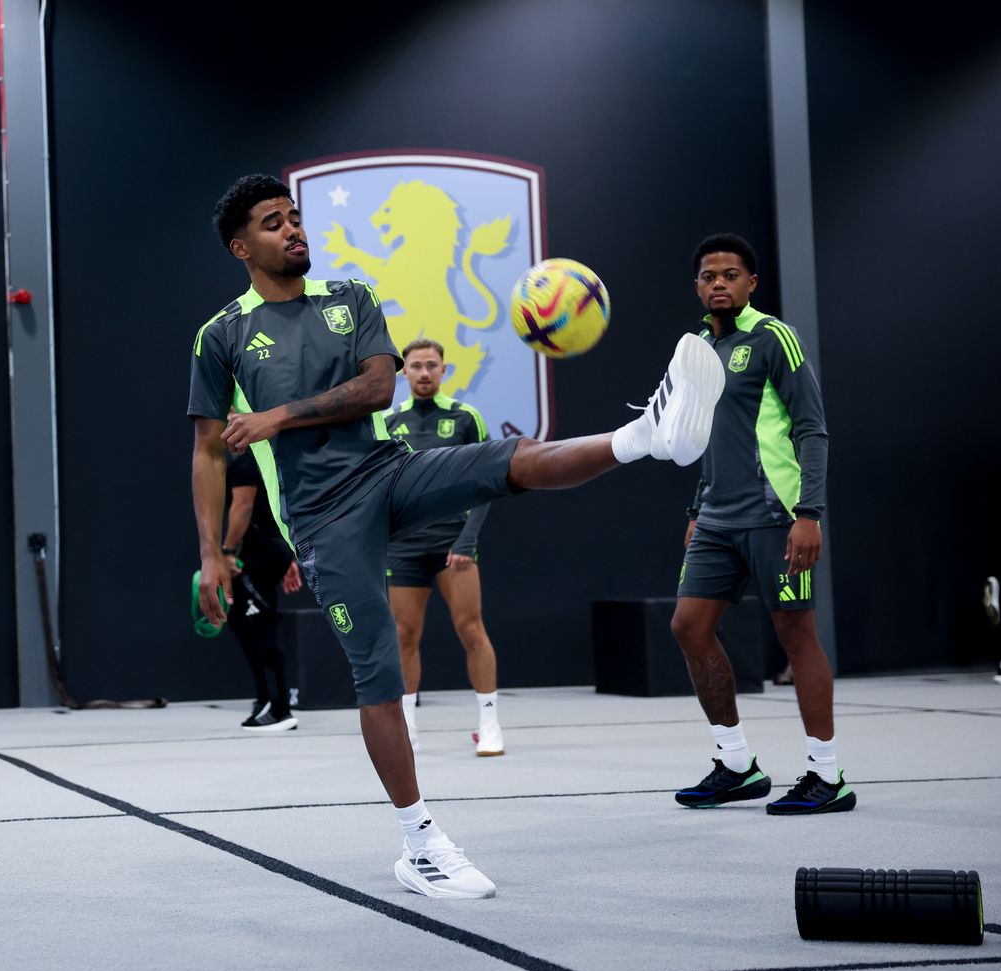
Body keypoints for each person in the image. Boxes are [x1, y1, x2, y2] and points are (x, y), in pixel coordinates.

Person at [189, 174, 724, 898]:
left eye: (294, 217)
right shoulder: (221, 335)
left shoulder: (349, 297)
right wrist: (212, 553)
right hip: (320, 520)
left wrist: (278, 417)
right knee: (377, 674)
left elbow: (378, 389)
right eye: (273, 222)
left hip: (386, 471)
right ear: (240, 246)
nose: (293, 230)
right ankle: (420, 844)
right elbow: (210, 451)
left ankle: (646, 435)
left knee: (513, 462)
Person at [670, 234, 852, 815]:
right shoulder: (698, 347)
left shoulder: (775, 338)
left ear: (752, 283)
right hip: (717, 519)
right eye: (708, 275)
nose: (718, 283)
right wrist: (698, 510)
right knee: (688, 628)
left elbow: (812, 431)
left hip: (778, 514)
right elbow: (704, 440)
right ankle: (736, 764)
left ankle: (827, 776)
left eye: (730, 274)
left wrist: (809, 514)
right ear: (697, 285)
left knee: (795, 635)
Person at [381, 339, 505, 756]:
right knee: (403, 635)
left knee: (471, 629)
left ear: (444, 370)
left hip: (455, 545)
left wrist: (467, 540)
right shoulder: (388, 421)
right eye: (416, 366)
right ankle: (409, 728)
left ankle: (490, 724)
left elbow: (487, 483)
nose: (424, 373)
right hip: (404, 547)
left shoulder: (465, 417)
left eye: (432, 365)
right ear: (404, 372)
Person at [219, 425, 303, 731]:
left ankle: (280, 708)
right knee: (241, 622)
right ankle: (265, 698)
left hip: (258, 553)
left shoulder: (247, 461)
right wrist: (287, 556)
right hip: (269, 549)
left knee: (261, 626)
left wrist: (227, 552)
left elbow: (243, 507)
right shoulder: (261, 458)